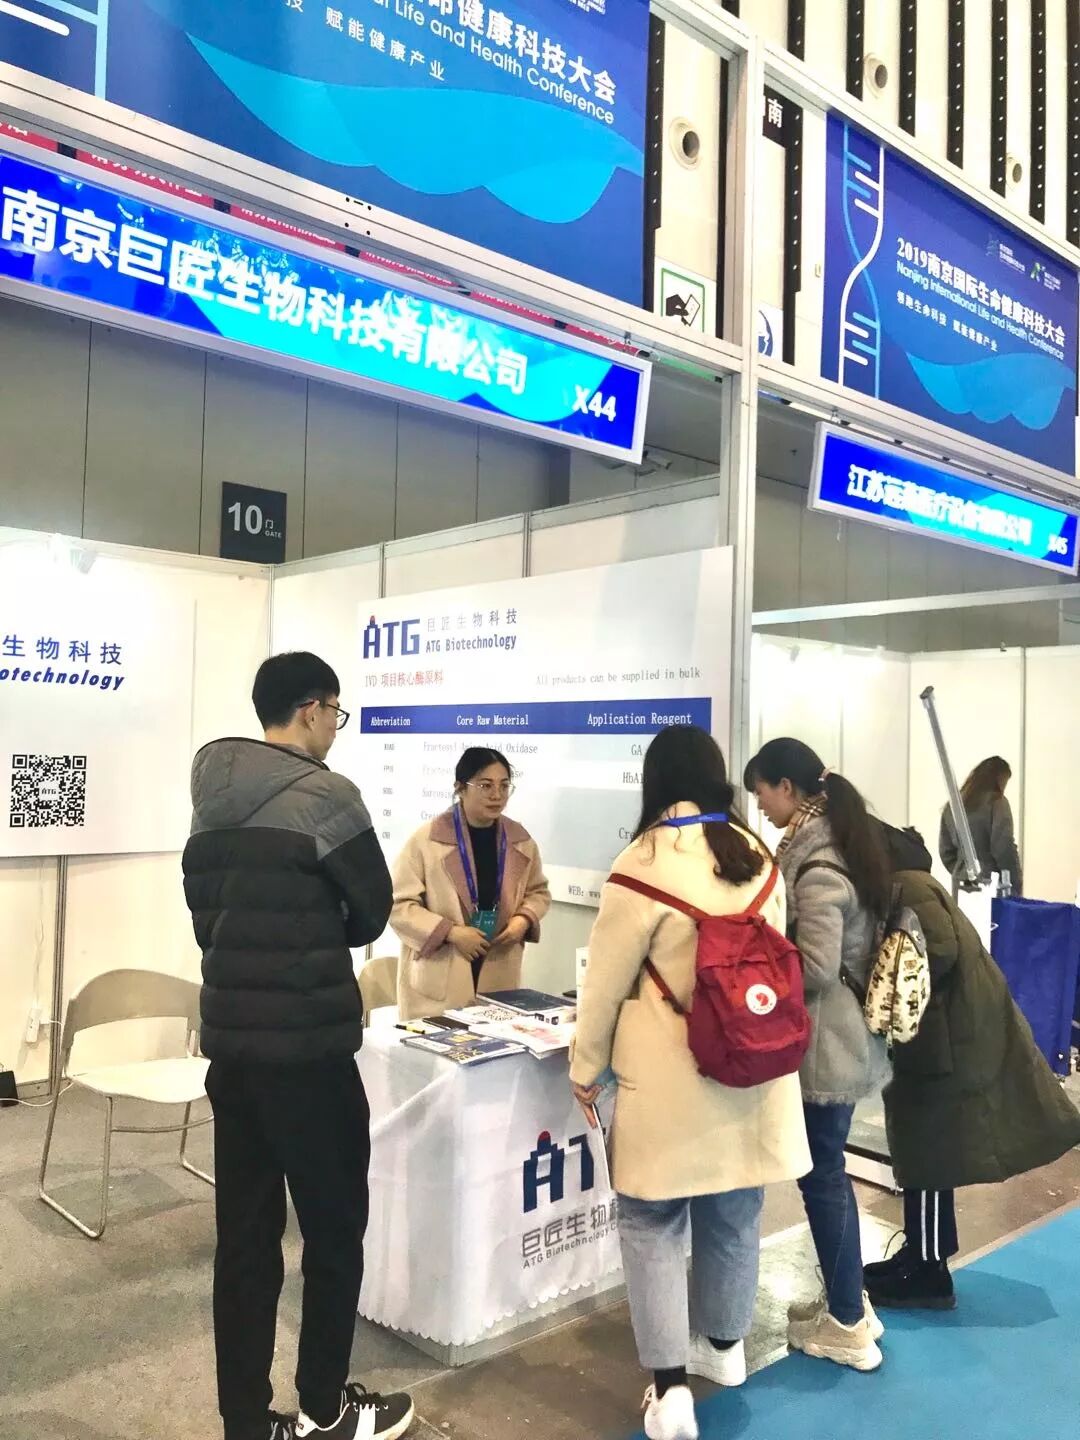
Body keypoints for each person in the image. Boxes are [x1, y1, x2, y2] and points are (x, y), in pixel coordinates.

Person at [182, 652, 414, 1440]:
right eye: (335, 714)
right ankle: (324, 1408)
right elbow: (372, 910)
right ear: (312, 709)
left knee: (246, 1241)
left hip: (234, 1052)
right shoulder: (327, 796)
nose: (335, 730)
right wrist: (316, 932)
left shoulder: (210, 799)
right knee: (334, 1228)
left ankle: (245, 1422)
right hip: (311, 1052)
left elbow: (206, 918)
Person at [571, 727, 811, 1440]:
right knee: (735, 1209)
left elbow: (605, 987)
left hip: (668, 1078)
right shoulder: (757, 855)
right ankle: (725, 1348)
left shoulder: (642, 862)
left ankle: (671, 1388)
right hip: (750, 1071)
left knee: (651, 1221)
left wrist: (584, 1068)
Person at [864, 831, 1080, 1310]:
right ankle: (923, 1256)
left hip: (941, 1045)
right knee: (927, 1155)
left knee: (925, 1156)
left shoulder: (910, 890)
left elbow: (936, 952)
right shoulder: (916, 886)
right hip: (943, 1040)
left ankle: (927, 1270)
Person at [744, 738, 891, 1372]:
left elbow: (818, 967)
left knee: (823, 1176)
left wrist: (757, 964)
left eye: (762, 793)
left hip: (828, 1044)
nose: (761, 807)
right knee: (827, 1173)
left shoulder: (819, 863)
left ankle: (848, 1323)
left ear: (787, 787)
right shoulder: (840, 843)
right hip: (841, 1040)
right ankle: (850, 1302)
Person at [390, 747, 551, 1020]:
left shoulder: (520, 840)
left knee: (495, 1040)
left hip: (498, 966)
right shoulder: (427, 840)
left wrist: (523, 920)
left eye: (504, 786)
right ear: (460, 788)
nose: (497, 795)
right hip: (441, 972)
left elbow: (538, 892)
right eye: (485, 785)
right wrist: (451, 932)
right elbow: (398, 906)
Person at [939, 755, 1022, 894]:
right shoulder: (997, 803)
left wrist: (962, 870)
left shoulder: (952, 806)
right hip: (992, 885)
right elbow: (1003, 848)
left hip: (960, 886)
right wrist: (1015, 882)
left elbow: (946, 852)